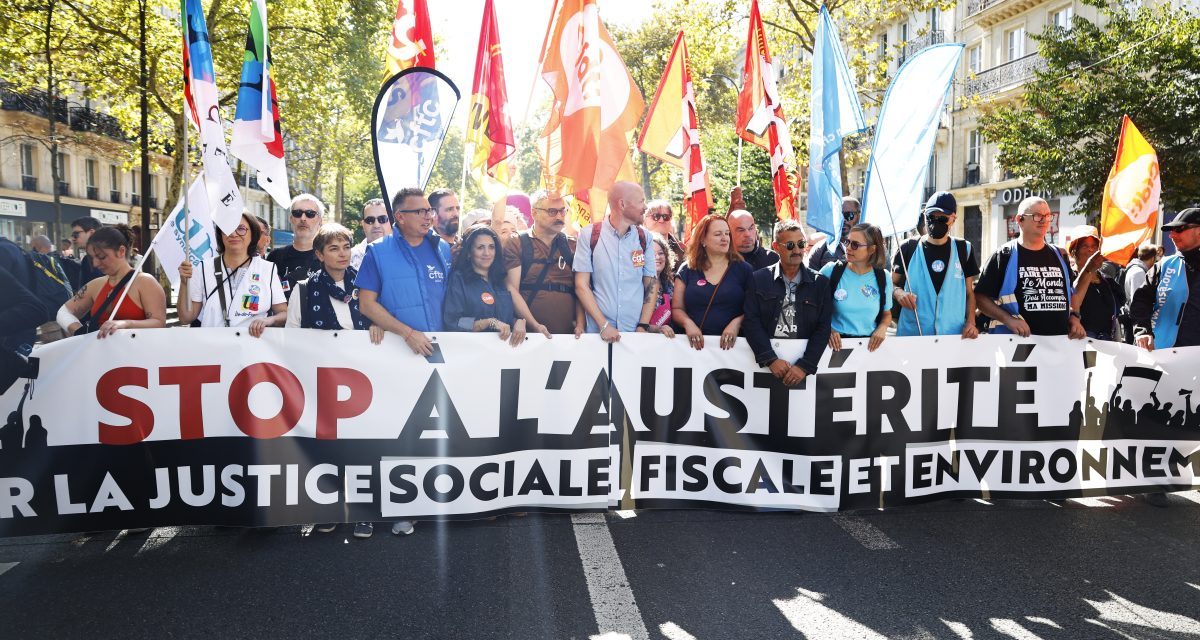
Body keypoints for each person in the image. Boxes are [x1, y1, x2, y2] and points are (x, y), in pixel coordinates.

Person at [287, 222, 383, 539]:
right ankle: (328, 508)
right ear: (319, 254)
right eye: (333, 248)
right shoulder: (303, 290)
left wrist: (377, 325)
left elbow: (381, 320)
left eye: (345, 247)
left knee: (362, 448)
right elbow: (293, 337)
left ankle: (363, 512)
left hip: (363, 382)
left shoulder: (367, 287)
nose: (342, 254)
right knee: (327, 449)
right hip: (323, 381)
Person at [357, 187, 451, 356]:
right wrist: (407, 334)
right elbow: (366, 305)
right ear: (400, 217)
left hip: (443, 350)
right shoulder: (377, 252)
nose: (428, 216)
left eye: (429, 210)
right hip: (398, 354)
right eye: (420, 212)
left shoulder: (442, 248)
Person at [975, 197, 1086, 338]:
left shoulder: (1060, 255)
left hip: (1057, 343)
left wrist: (1074, 317)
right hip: (1017, 344)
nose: (1043, 220)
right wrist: (1008, 319)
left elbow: (1071, 294)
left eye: (1047, 216)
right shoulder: (1003, 255)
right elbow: (980, 298)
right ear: (1020, 220)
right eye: (1037, 215)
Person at [743, 220, 832, 386]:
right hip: (762, 368)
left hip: (804, 373)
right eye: (790, 245)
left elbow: (823, 327)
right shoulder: (758, 279)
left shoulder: (820, 283)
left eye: (801, 244)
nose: (797, 250)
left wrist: (805, 366)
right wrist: (770, 359)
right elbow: (751, 321)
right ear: (776, 247)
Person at [573, 181, 663, 343]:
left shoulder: (645, 238)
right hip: (597, 336)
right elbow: (581, 285)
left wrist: (642, 326)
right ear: (622, 204)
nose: (645, 207)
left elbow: (651, 284)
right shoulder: (589, 235)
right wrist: (604, 325)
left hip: (634, 335)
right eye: (641, 201)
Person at [177, 211, 287, 335]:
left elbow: (284, 313)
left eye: (241, 229)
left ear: (253, 234)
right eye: (227, 228)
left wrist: (269, 320)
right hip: (212, 344)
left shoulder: (268, 269)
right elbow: (186, 318)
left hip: (252, 344)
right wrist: (184, 283)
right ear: (220, 234)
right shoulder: (203, 268)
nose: (234, 234)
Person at [891, 192, 980, 338]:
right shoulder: (907, 248)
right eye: (931, 217)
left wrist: (971, 322)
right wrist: (898, 292)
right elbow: (890, 283)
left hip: (952, 336)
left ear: (953, 219)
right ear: (924, 215)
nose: (935, 222)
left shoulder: (964, 249)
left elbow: (969, 293)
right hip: (913, 336)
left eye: (943, 219)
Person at [55, 225, 166, 337]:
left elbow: (159, 323)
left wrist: (126, 324)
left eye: (101, 257)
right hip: (101, 348)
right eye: (92, 258)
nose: (95, 263)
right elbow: (64, 312)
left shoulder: (145, 282)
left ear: (121, 251)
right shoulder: (95, 285)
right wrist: (82, 333)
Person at [504, 190, 584, 337]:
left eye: (562, 211)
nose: (559, 217)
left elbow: (581, 289)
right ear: (534, 213)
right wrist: (534, 325)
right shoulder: (516, 243)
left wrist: (580, 324)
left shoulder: (573, 245)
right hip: (528, 336)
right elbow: (511, 289)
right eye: (552, 211)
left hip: (569, 339)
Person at [672, 214, 753, 349]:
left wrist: (737, 323)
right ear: (703, 239)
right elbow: (677, 308)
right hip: (693, 348)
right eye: (718, 234)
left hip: (734, 350)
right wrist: (688, 324)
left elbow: (754, 308)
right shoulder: (687, 269)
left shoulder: (744, 269)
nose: (724, 238)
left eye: (727, 233)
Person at [1131, 207, 1200, 350]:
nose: (1172, 235)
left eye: (1179, 229)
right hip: (1161, 352)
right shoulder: (1164, 265)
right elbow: (1140, 301)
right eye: (1171, 230)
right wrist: (1142, 330)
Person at [444, 226, 523, 345]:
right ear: (469, 253)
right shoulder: (459, 279)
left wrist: (518, 322)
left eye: (491, 247)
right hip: (471, 349)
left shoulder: (500, 280)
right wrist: (487, 322)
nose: (487, 253)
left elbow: (505, 318)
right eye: (480, 247)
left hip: (502, 350)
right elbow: (453, 321)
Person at [819, 223, 892, 352]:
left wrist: (882, 328)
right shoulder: (831, 271)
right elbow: (811, 308)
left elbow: (887, 314)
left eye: (855, 245)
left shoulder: (884, 277)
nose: (848, 248)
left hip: (869, 347)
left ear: (872, 249)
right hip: (832, 346)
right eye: (847, 242)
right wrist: (827, 329)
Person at [1067, 225, 1123, 341]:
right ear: (1073, 252)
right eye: (1084, 246)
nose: (1090, 250)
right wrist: (1088, 270)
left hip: (1106, 345)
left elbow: (1115, 319)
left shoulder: (1108, 283)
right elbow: (1072, 303)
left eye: (1094, 246)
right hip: (1078, 344)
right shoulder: (1068, 279)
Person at [268, 194, 325, 298]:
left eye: (310, 214)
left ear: (320, 221)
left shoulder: (328, 258)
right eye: (297, 213)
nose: (303, 218)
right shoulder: (275, 257)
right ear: (291, 218)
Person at [1118, 242, 1158, 343]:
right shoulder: (1139, 272)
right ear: (1152, 258)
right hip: (1134, 322)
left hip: (1132, 319)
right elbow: (1137, 300)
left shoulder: (1134, 269)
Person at [808, 197, 861, 270]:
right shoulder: (820, 249)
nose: (843, 220)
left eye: (848, 215)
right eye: (839, 216)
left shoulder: (870, 248)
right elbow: (811, 275)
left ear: (859, 216)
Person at [351, 198, 392, 270]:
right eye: (370, 220)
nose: (376, 225)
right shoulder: (349, 258)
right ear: (363, 224)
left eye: (382, 219)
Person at [648, 233, 676, 333]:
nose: (657, 257)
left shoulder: (670, 285)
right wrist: (656, 329)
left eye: (661, 253)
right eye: (651, 254)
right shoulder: (637, 285)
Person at [645, 200, 686, 265]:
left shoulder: (684, 251)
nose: (661, 220)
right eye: (656, 216)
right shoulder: (636, 247)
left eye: (665, 217)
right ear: (644, 221)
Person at [71, 216, 104, 284]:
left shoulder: (110, 256)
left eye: (76, 234)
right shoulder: (86, 260)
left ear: (92, 233)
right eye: (72, 235)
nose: (73, 238)